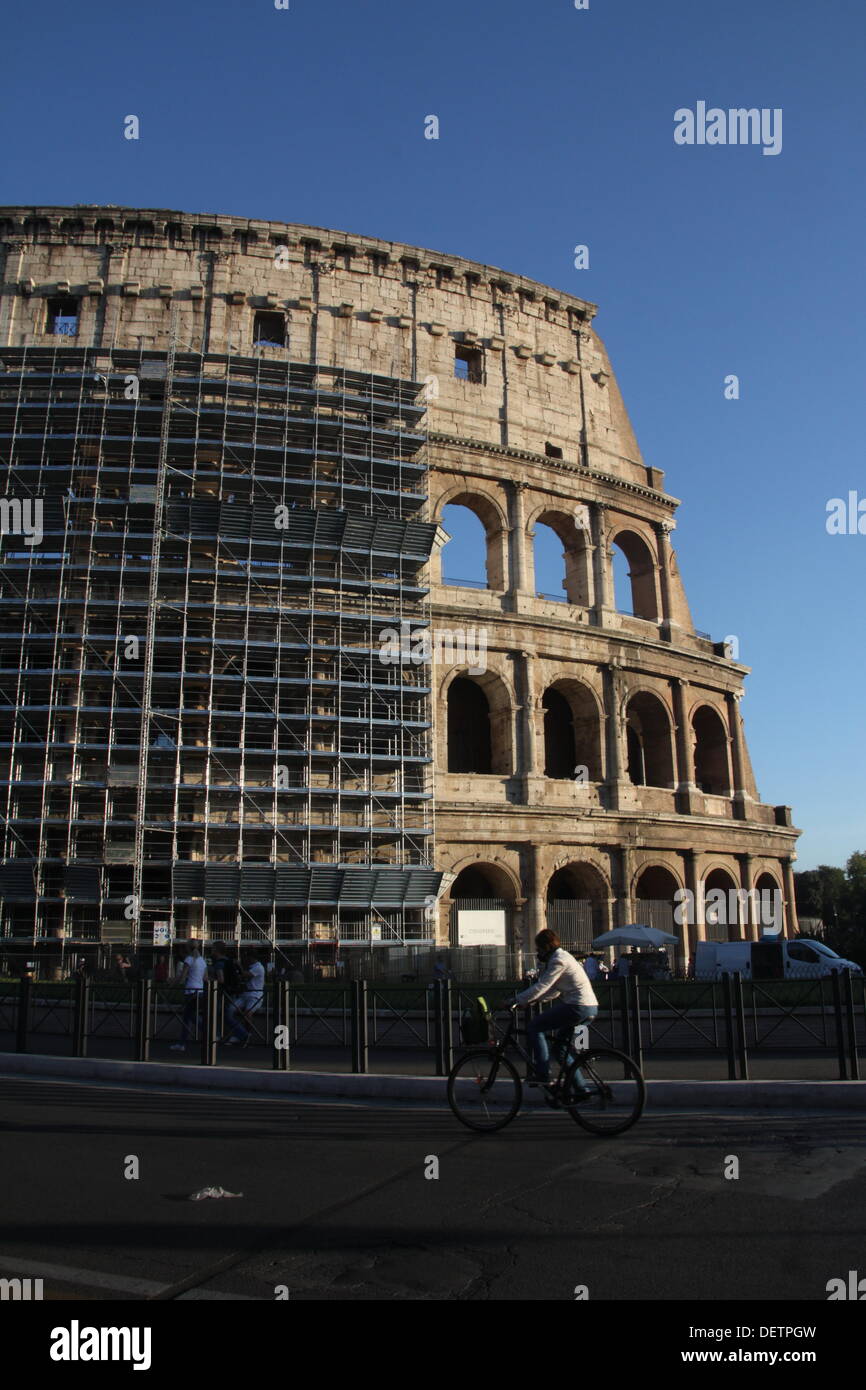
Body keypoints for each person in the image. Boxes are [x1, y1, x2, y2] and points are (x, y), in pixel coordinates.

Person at [515, 929, 598, 1086]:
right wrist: (530, 1002)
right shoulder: (564, 957)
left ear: (546, 947)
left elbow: (543, 986)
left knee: (535, 1027)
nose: (538, 953)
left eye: (539, 949)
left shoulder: (558, 960)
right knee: (560, 1049)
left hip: (577, 1006)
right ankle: (582, 1090)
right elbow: (554, 990)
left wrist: (516, 999)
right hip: (589, 1006)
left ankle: (543, 1073)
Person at [171, 942, 208, 1052]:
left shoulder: (189, 959)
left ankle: (182, 1043)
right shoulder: (202, 960)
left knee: (188, 1017)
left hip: (190, 991)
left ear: (187, 949)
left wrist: (172, 983)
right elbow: (205, 978)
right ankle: (209, 1033)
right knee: (190, 1016)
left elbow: (182, 977)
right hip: (200, 990)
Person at [225, 949, 267, 1045]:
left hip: (255, 995)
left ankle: (248, 1034)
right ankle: (239, 1033)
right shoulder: (249, 966)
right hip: (245, 994)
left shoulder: (258, 967)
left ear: (252, 958)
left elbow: (245, 974)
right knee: (230, 1009)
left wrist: (239, 965)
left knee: (248, 1013)